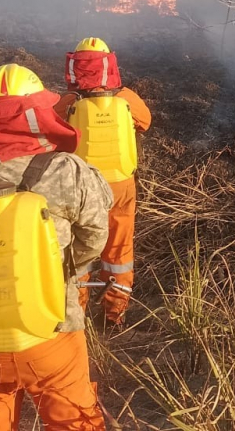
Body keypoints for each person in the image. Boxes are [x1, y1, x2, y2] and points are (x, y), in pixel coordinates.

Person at [0, 63, 112, 431]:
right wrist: (68, 272)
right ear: (37, 114)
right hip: (54, 329)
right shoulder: (67, 170)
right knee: (73, 420)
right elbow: (95, 235)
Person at [55, 37, 151, 327]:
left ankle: (77, 314)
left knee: (78, 251)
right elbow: (145, 123)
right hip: (121, 186)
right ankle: (115, 316)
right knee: (119, 253)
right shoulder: (127, 99)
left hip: (82, 189)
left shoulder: (69, 103)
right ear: (110, 66)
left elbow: (51, 132)